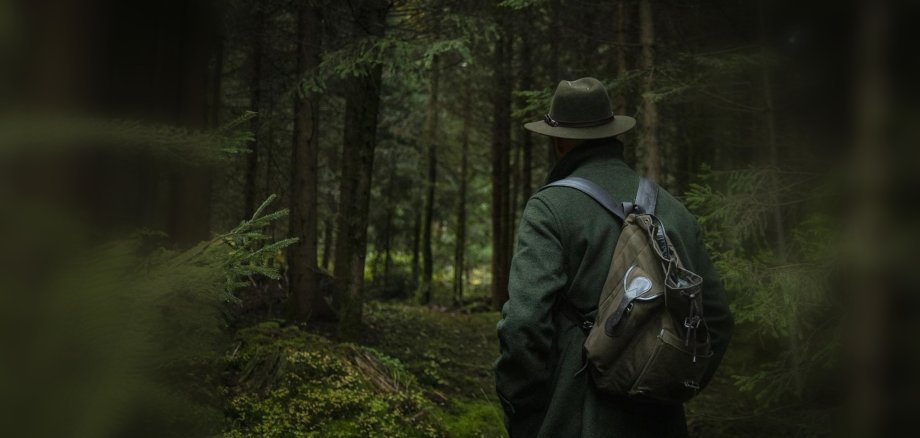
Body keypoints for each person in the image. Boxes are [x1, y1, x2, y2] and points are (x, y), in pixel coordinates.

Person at [494, 77, 733, 438]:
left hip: (574, 415)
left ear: (559, 141)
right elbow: (715, 318)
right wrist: (672, 379)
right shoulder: (673, 209)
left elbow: (524, 324)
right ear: (611, 133)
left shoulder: (550, 207)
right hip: (661, 420)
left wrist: (523, 409)